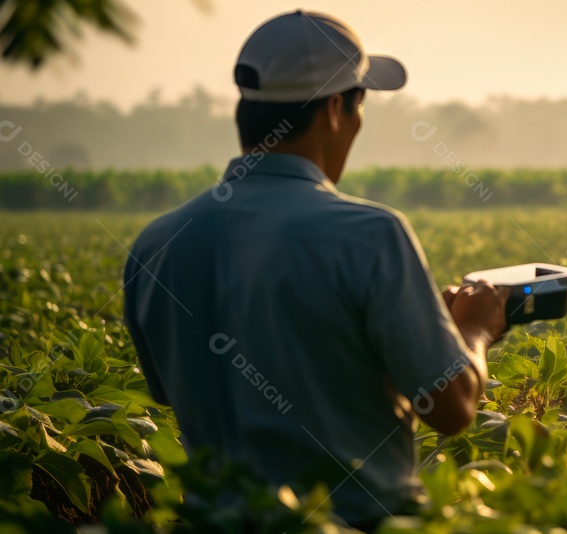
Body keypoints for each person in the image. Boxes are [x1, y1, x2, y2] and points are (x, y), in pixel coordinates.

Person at [122, 10, 507, 530]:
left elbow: (175, 393)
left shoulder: (156, 244)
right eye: (359, 104)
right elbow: (452, 407)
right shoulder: (370, 234)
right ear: (334, 110)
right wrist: (474, 330)